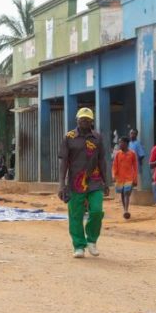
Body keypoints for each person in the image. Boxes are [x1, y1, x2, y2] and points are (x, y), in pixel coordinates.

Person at [57, 107, 109, 258]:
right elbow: (64, 162)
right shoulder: (69, 137)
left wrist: (106, 182)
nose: (84, 122)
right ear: (77, 120)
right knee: (76, 215)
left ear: (92, 121)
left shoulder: (97, 138)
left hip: (95, 180)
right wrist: (61, 184)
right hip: (75, 182)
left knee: (97, 211)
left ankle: (91, 240)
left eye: (87, 119)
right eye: (82, 119)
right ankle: (79, 246)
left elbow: (102, 161)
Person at [112, 136, 138, 219]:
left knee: (127, 193)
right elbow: (114, 166)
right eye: (119, 142)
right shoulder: (118, 154)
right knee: (123, 194)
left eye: (121, 142)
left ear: (126, 144)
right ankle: (125, 210)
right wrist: (113, 175)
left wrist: (135, 178)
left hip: (129, 178)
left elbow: (135, 167)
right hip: (120, 178)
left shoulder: (132, 153)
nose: (119, 144)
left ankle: (126, 210)